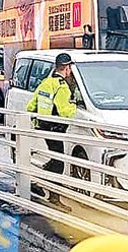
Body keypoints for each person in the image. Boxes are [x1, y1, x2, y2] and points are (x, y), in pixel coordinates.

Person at [26, 52, 77, 208]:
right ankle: (53, 198)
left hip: (44, 126)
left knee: (54, 159)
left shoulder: (46, 83)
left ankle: (37, 183)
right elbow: (65, 111)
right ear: (67, 68)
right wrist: (74, 104)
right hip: (56, 129)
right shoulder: (62, 87)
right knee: (59, 163)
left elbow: (30, 106)